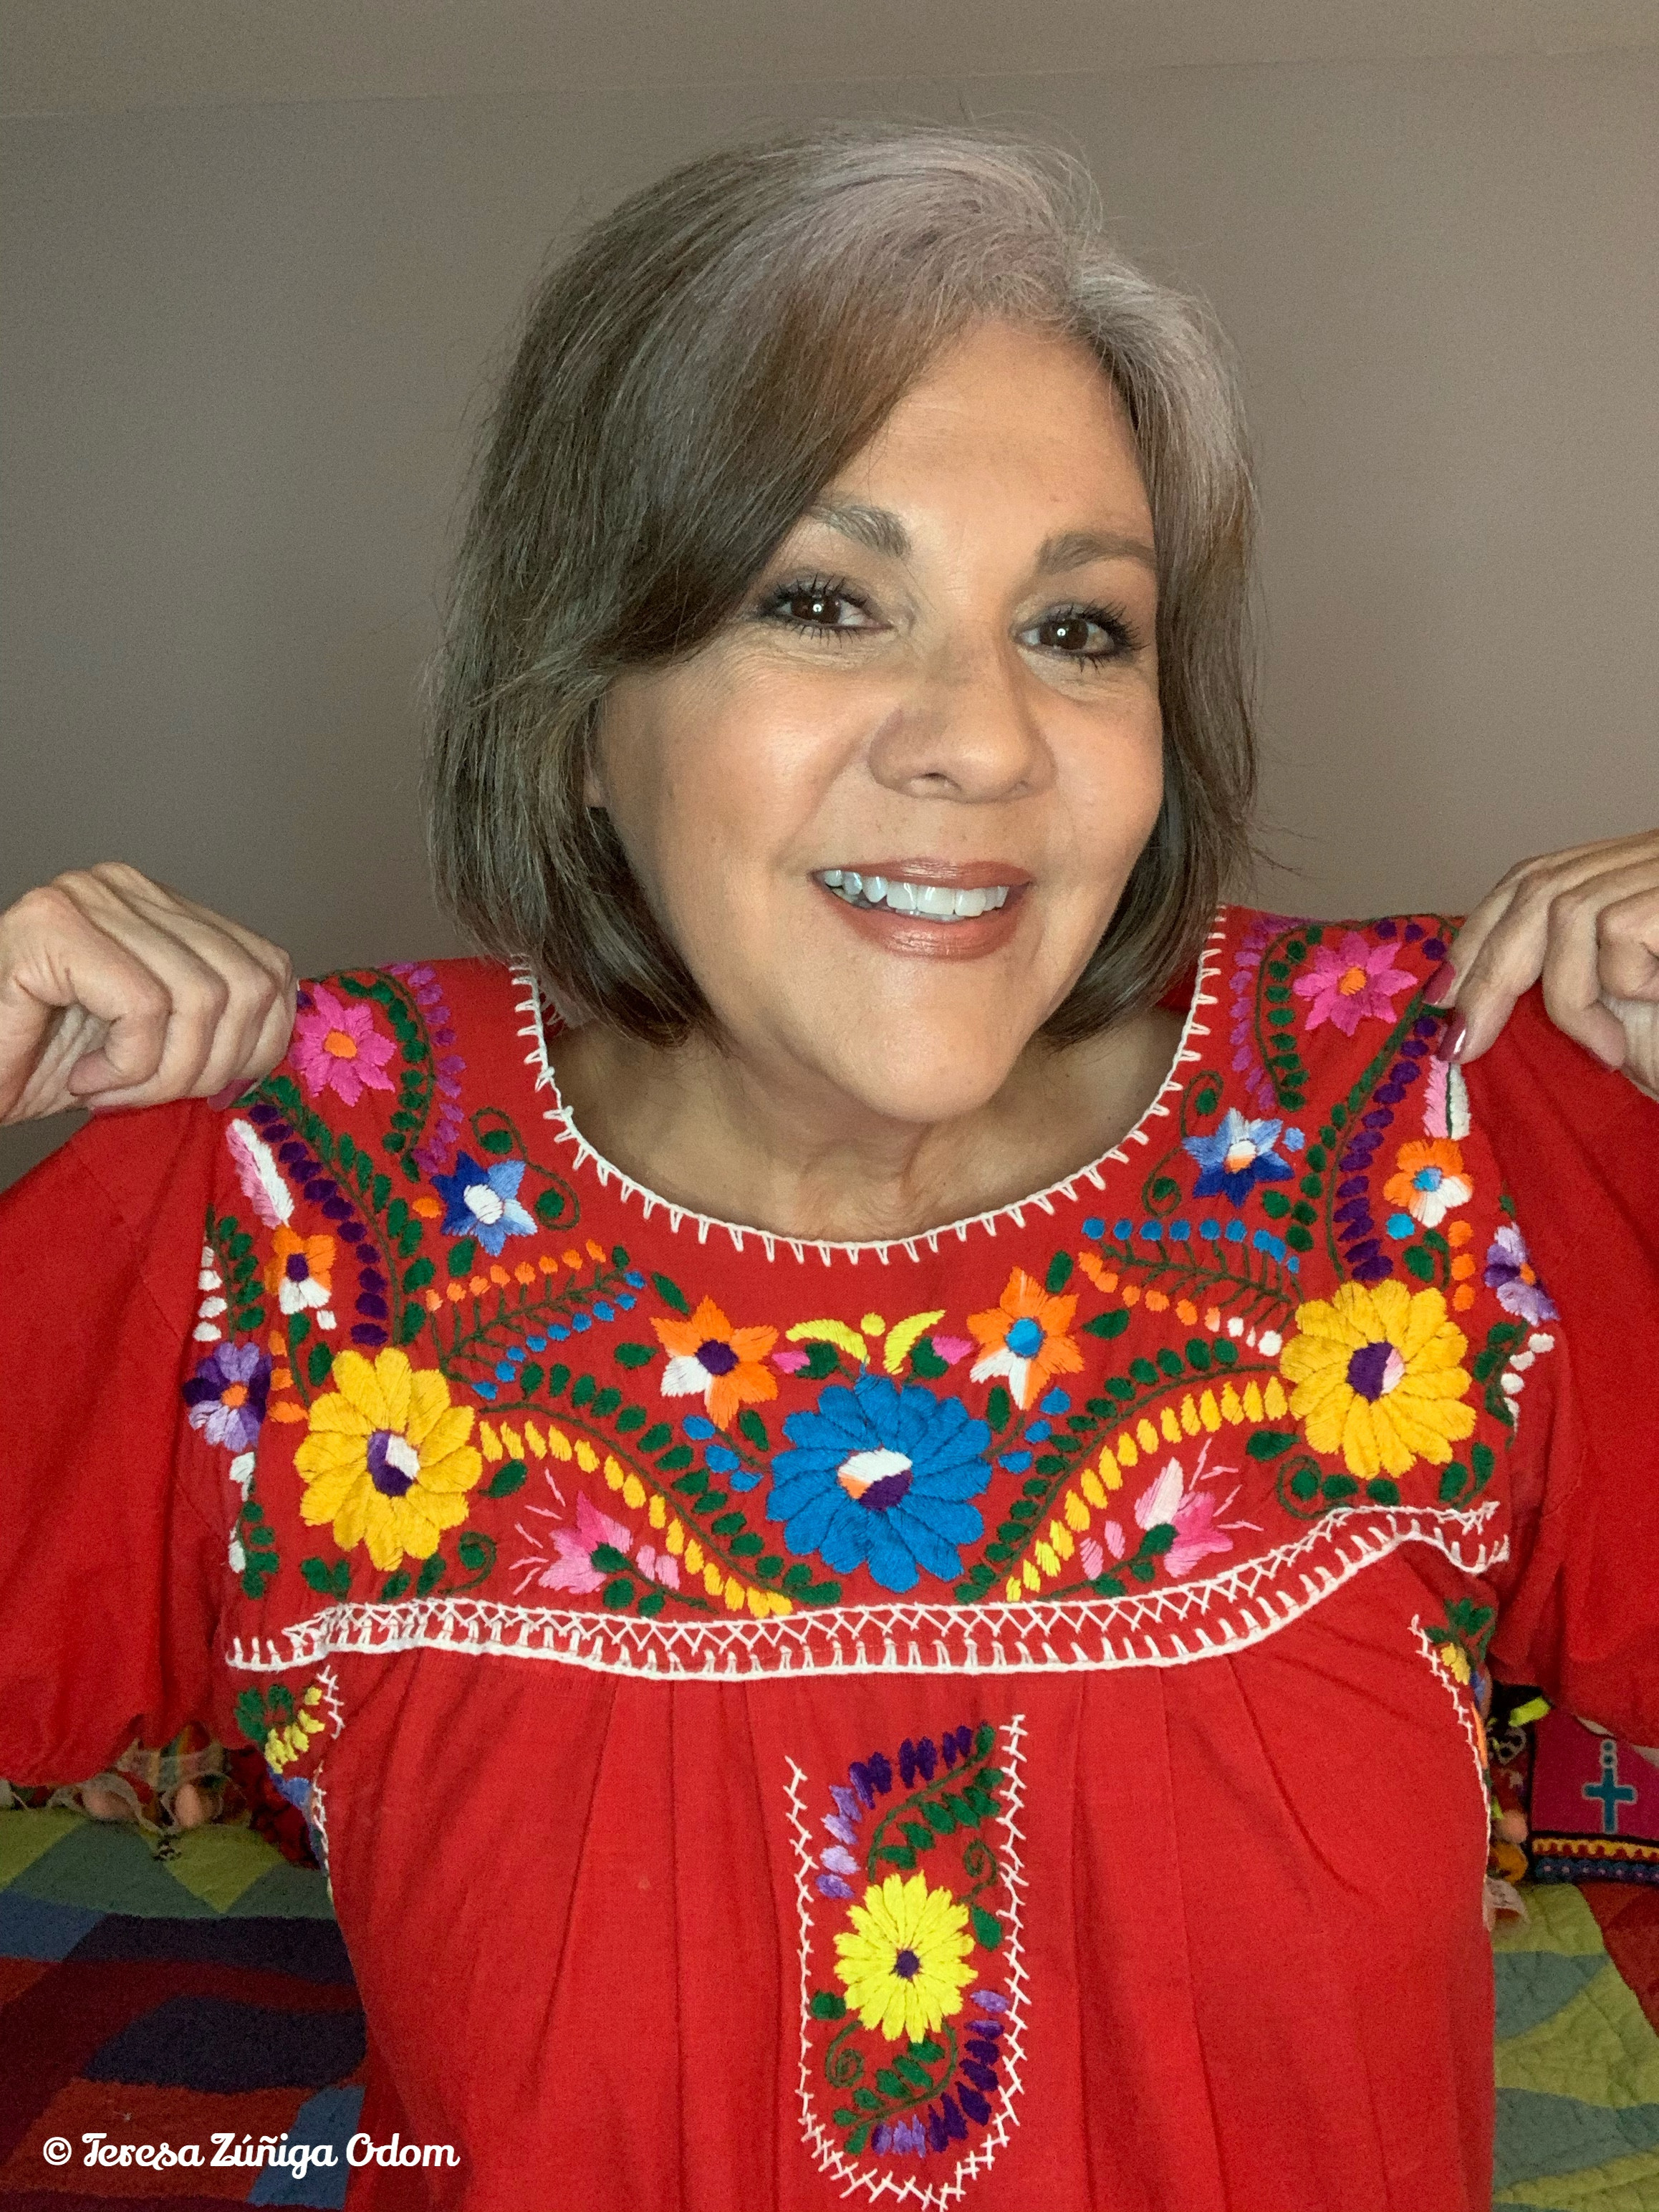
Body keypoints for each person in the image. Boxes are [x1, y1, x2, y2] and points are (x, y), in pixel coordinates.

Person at [1, 121, 1655, 2212]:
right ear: (584, 699)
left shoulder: (1433, 1141)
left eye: (1079, 631)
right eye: (820, 599)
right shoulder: (289, 1219)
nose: (977, 739)